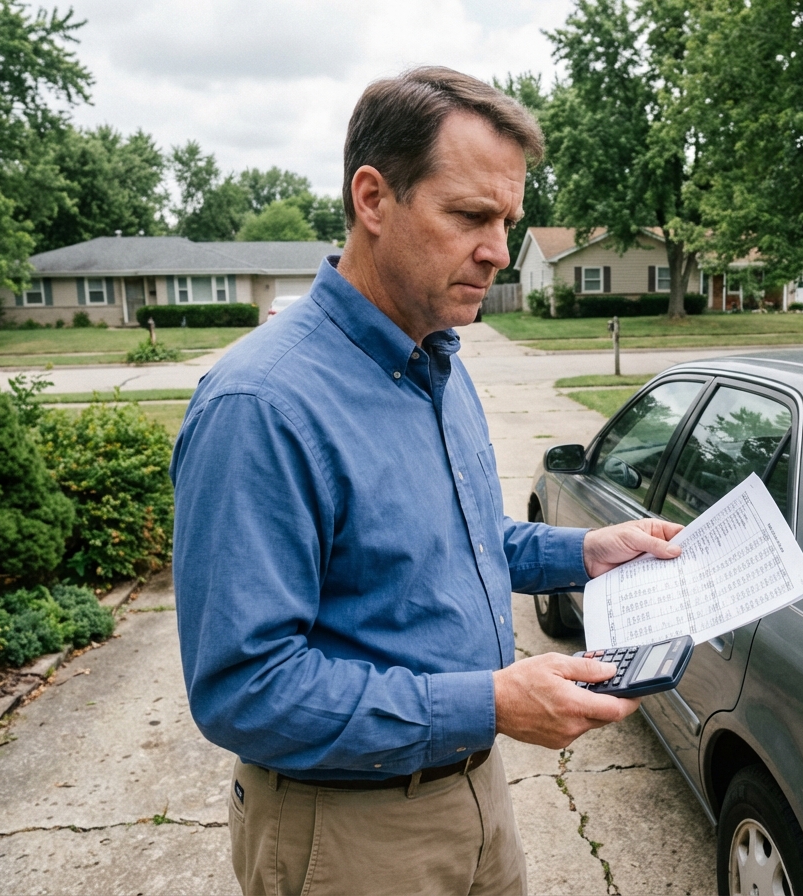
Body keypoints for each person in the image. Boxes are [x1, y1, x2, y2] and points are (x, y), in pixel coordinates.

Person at [170, 66, 682, 896]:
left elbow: (467, 540)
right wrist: (489, 703)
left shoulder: (436, 357)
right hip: (348, 832)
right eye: (471, 216)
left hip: (474, 794)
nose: (500, 251)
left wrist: (585, 550)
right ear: (373, 199)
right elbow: (245, 690)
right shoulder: (262, 406)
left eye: (508, 221)